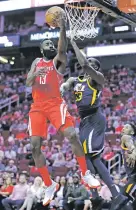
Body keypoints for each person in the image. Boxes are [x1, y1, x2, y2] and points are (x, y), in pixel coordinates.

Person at [26, 12, 99, 206]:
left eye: (52, 44)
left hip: (54, 103)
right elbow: (28, 82)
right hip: (37, 106)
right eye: (47, 44)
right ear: (41, 49)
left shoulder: (57, 61)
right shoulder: (36, 63)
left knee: (72, 135)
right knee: (34, 146)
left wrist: (63, 27)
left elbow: (62, 47)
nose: (51, 46)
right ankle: (50, 185)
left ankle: (85, 173)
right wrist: (35, 73)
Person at [60, 39, 128, 210]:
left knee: (85, 154)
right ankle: (112, 195)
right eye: (87, 63)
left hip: (95, 119)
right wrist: (64, 85)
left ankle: (98, 194)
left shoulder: (98, 79)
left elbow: (83, 63)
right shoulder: (78, 80)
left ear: (95, 68)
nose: (87, 65)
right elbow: (69, 82)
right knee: (91, 158)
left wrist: (73, 44)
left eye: (91, 64)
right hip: (84, 121)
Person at [121, 123, 136, 209]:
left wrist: (133, 153)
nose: (123, 128)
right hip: (131, 176)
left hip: (134, 178)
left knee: (123, 198)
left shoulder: (127, 138)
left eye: (126, 127)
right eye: (123, 126)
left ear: (132, 131)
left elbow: (132, 149)